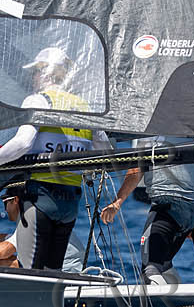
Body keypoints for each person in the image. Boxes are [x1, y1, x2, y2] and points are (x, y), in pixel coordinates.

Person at [0, 47, 112, 270]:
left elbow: (22, 144)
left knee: (31, 270)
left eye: (35, 72)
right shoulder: (85, 107)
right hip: (69, 202)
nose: (33, 78)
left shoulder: (39, 100)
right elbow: (106, 152)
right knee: (52, 272)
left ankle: (28, 304)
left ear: (45, 73)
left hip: (41, 196)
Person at [100, 136, 194, 284]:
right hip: (188, 215)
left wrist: (116, 203)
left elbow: (135, 171)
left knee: (150, 269)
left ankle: (160, 305)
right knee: (164, 266)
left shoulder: (150, 139)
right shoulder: (190, 141)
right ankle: (178, 304)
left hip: (166, 209)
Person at [0, 191, 84, 271]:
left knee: (3, 263)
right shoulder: (35, 215)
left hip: (66, 274)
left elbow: (3, 251)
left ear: (15, 200)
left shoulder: (30, 220)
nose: (5, 210)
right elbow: (14, 238)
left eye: (5, 203)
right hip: (71, 269)